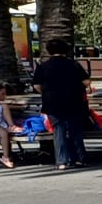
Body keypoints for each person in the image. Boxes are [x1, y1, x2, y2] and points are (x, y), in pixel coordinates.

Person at [30, 38, 93, 170]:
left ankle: (61, 161)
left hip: (52, 103)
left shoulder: (43, 66)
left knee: (59, 131)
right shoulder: (73, 64)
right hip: (74, 102)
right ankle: (80, 159)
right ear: (65, 50)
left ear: (49, 50)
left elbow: (36, 86)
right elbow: (87, 82)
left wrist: (47, 92)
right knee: (75, 130)